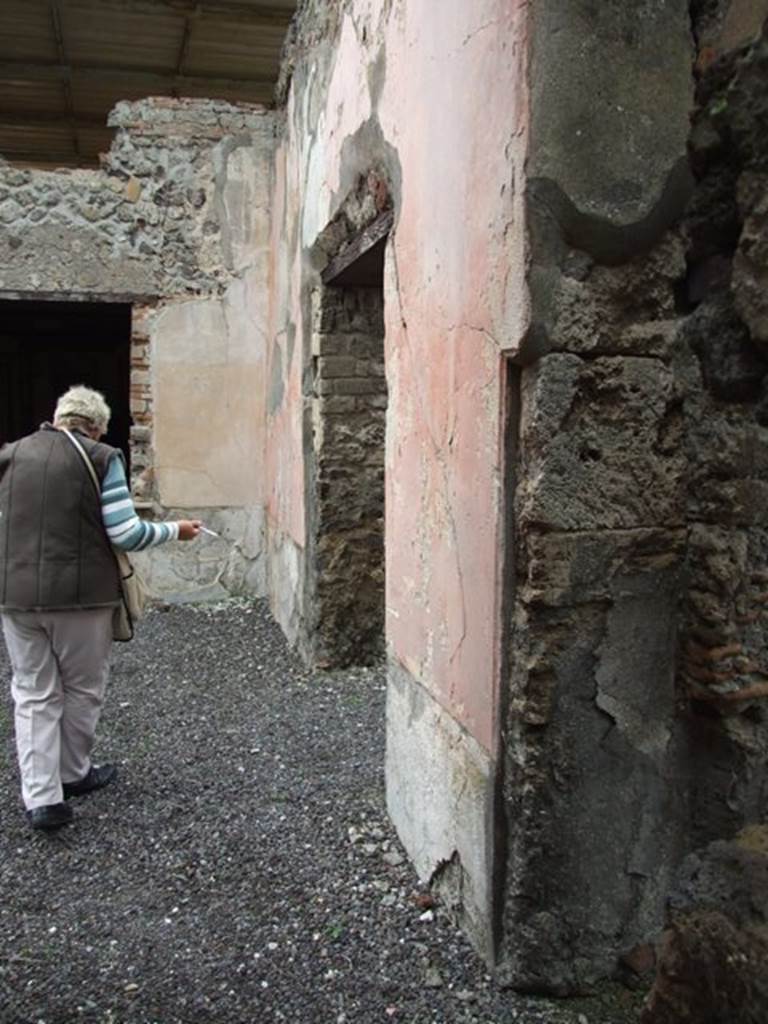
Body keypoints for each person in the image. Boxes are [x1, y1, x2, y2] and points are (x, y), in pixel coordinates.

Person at [0, 385, 201, 831]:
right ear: (95, 427)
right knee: (82, 687)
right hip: (82, 598)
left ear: (58, 417)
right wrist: (176, 531)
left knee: (32, 691)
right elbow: (125, 533)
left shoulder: (11, 454)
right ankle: (73, 773)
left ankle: (42, 799)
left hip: (14, 597)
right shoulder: (102, 457)